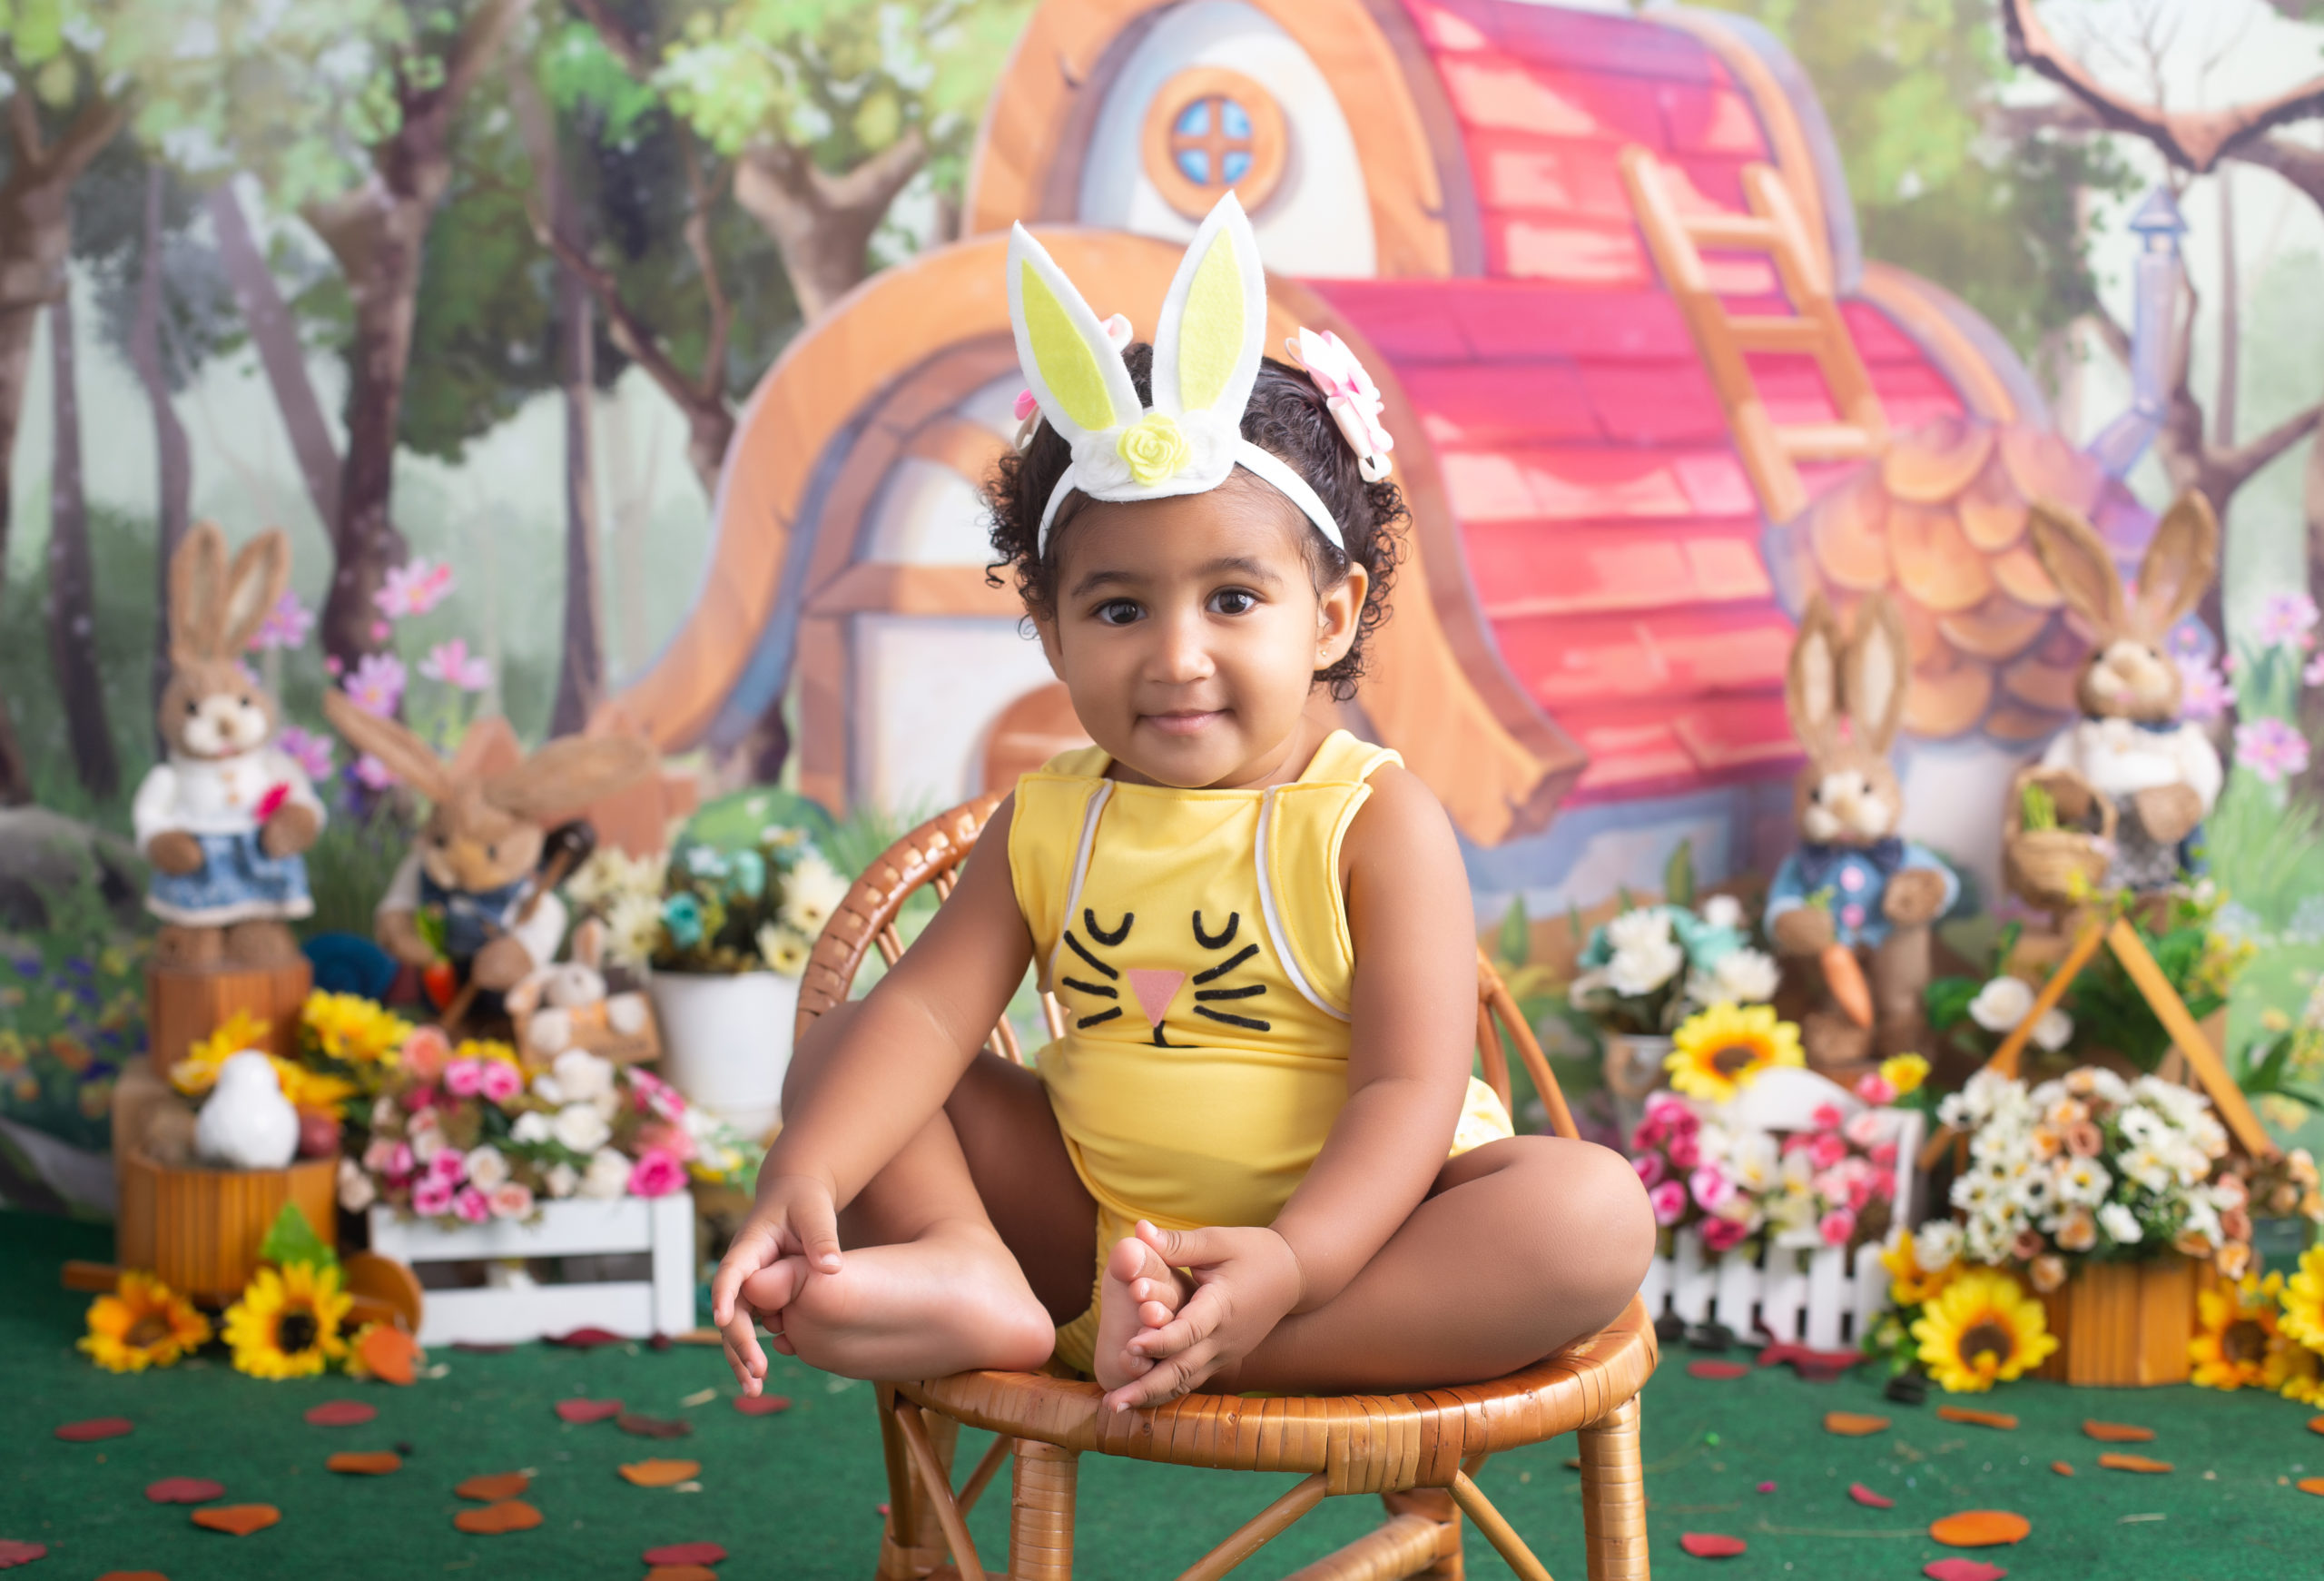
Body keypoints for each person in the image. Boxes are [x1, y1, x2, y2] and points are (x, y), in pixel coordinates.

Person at [713, 195, 1651, 1412]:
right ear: (1053, 632)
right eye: (1118, 608)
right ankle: (971, 1264)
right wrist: (806, 1170)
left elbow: (1409, 1092)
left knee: (1590, 1214)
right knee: (854, 1050)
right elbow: (933, 1018)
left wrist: (1295, 1260)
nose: (1176, 655)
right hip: (1093, 1229)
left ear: (1330, 616)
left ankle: (1210, 1343)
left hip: (1358, 1246)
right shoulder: (1046, 822)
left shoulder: (1373, 821)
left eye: (1232, 600)